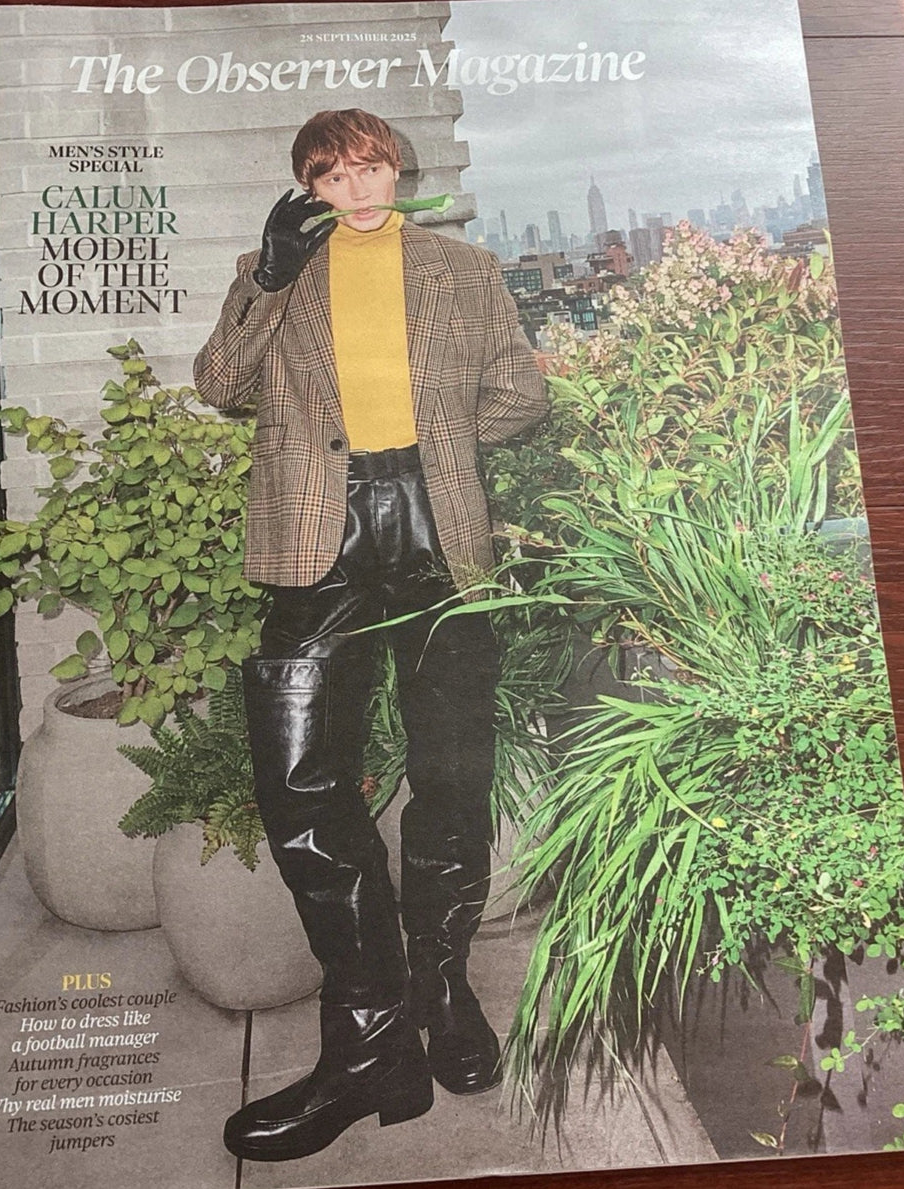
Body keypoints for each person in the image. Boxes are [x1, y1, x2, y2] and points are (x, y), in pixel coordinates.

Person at [193, 108, 546, 1162]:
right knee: (299, 781)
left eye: (372, 167)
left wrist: (437, 452)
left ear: (397, 168)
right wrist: (267, 277)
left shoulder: (463, 269)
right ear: (308, 188)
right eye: (334, 175)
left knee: (449, 768)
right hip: (319, 539)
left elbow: (521, 393)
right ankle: (369, 1041)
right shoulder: (276, 271)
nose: (357, 189)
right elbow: (219, 386)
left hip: (438, 533)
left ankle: (440, 994)